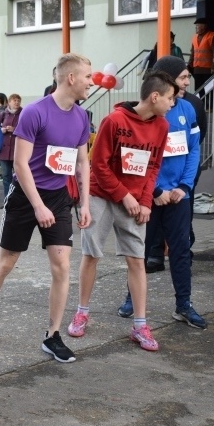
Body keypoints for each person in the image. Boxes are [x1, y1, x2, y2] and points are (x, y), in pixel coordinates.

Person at [0, 53, 92, 363]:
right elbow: (19, 164)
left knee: (62, 265)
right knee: (7, 262)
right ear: (71, 78)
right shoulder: (34, 112)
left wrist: (84, 202)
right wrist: (38, 206)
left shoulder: (82, 117)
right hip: (26, 197)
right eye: (87, 77)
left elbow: (83, 162)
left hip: (58, 197)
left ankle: (52, 335)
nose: (91, 82)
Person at [67, 72, 176, 349]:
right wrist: (124, 196)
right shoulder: (114, 121)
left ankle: (140, 326)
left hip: (135, 200)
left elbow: (153, 166)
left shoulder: (162, 126)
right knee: (91, 254)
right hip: (102, 196)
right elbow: (98, 165)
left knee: (137, 260)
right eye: (170, 98)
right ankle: (82, 313)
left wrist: (146, 201)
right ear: (155, 97)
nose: (172, 103)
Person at [117, 56, 206, 332]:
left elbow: (194, 150)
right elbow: (136, 158)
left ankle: (184, 305)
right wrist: (155, 190)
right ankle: (132, 299)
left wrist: (184, 187)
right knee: (140, 251)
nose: (187, 82)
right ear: (167, 80)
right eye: (183, 77)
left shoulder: (188, 109)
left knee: (181, 251)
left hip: (179, 196)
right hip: (150, 196)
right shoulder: (148, 112)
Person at [0, 94, 23, 199]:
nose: (17, 102)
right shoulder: (3, 114)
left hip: (17, 151)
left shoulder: (23, 113)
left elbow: (27, 129)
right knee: (6, 177)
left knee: (19, 177)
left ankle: (18, 199)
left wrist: (14, 130)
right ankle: (7, 199)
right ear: (9, 102)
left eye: (18, 100)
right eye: (14, 100)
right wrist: (1, 130)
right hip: (4, 151)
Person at [187, 18, 214, 90]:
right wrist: (189, 65)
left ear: (204, 26)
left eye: (198, 25)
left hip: (208, 69)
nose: (196, 27)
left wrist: (213, 66)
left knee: (208, 90)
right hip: (197, 69)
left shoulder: (211, 36)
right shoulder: (194, 37)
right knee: (198, 89)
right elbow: (193, 53)